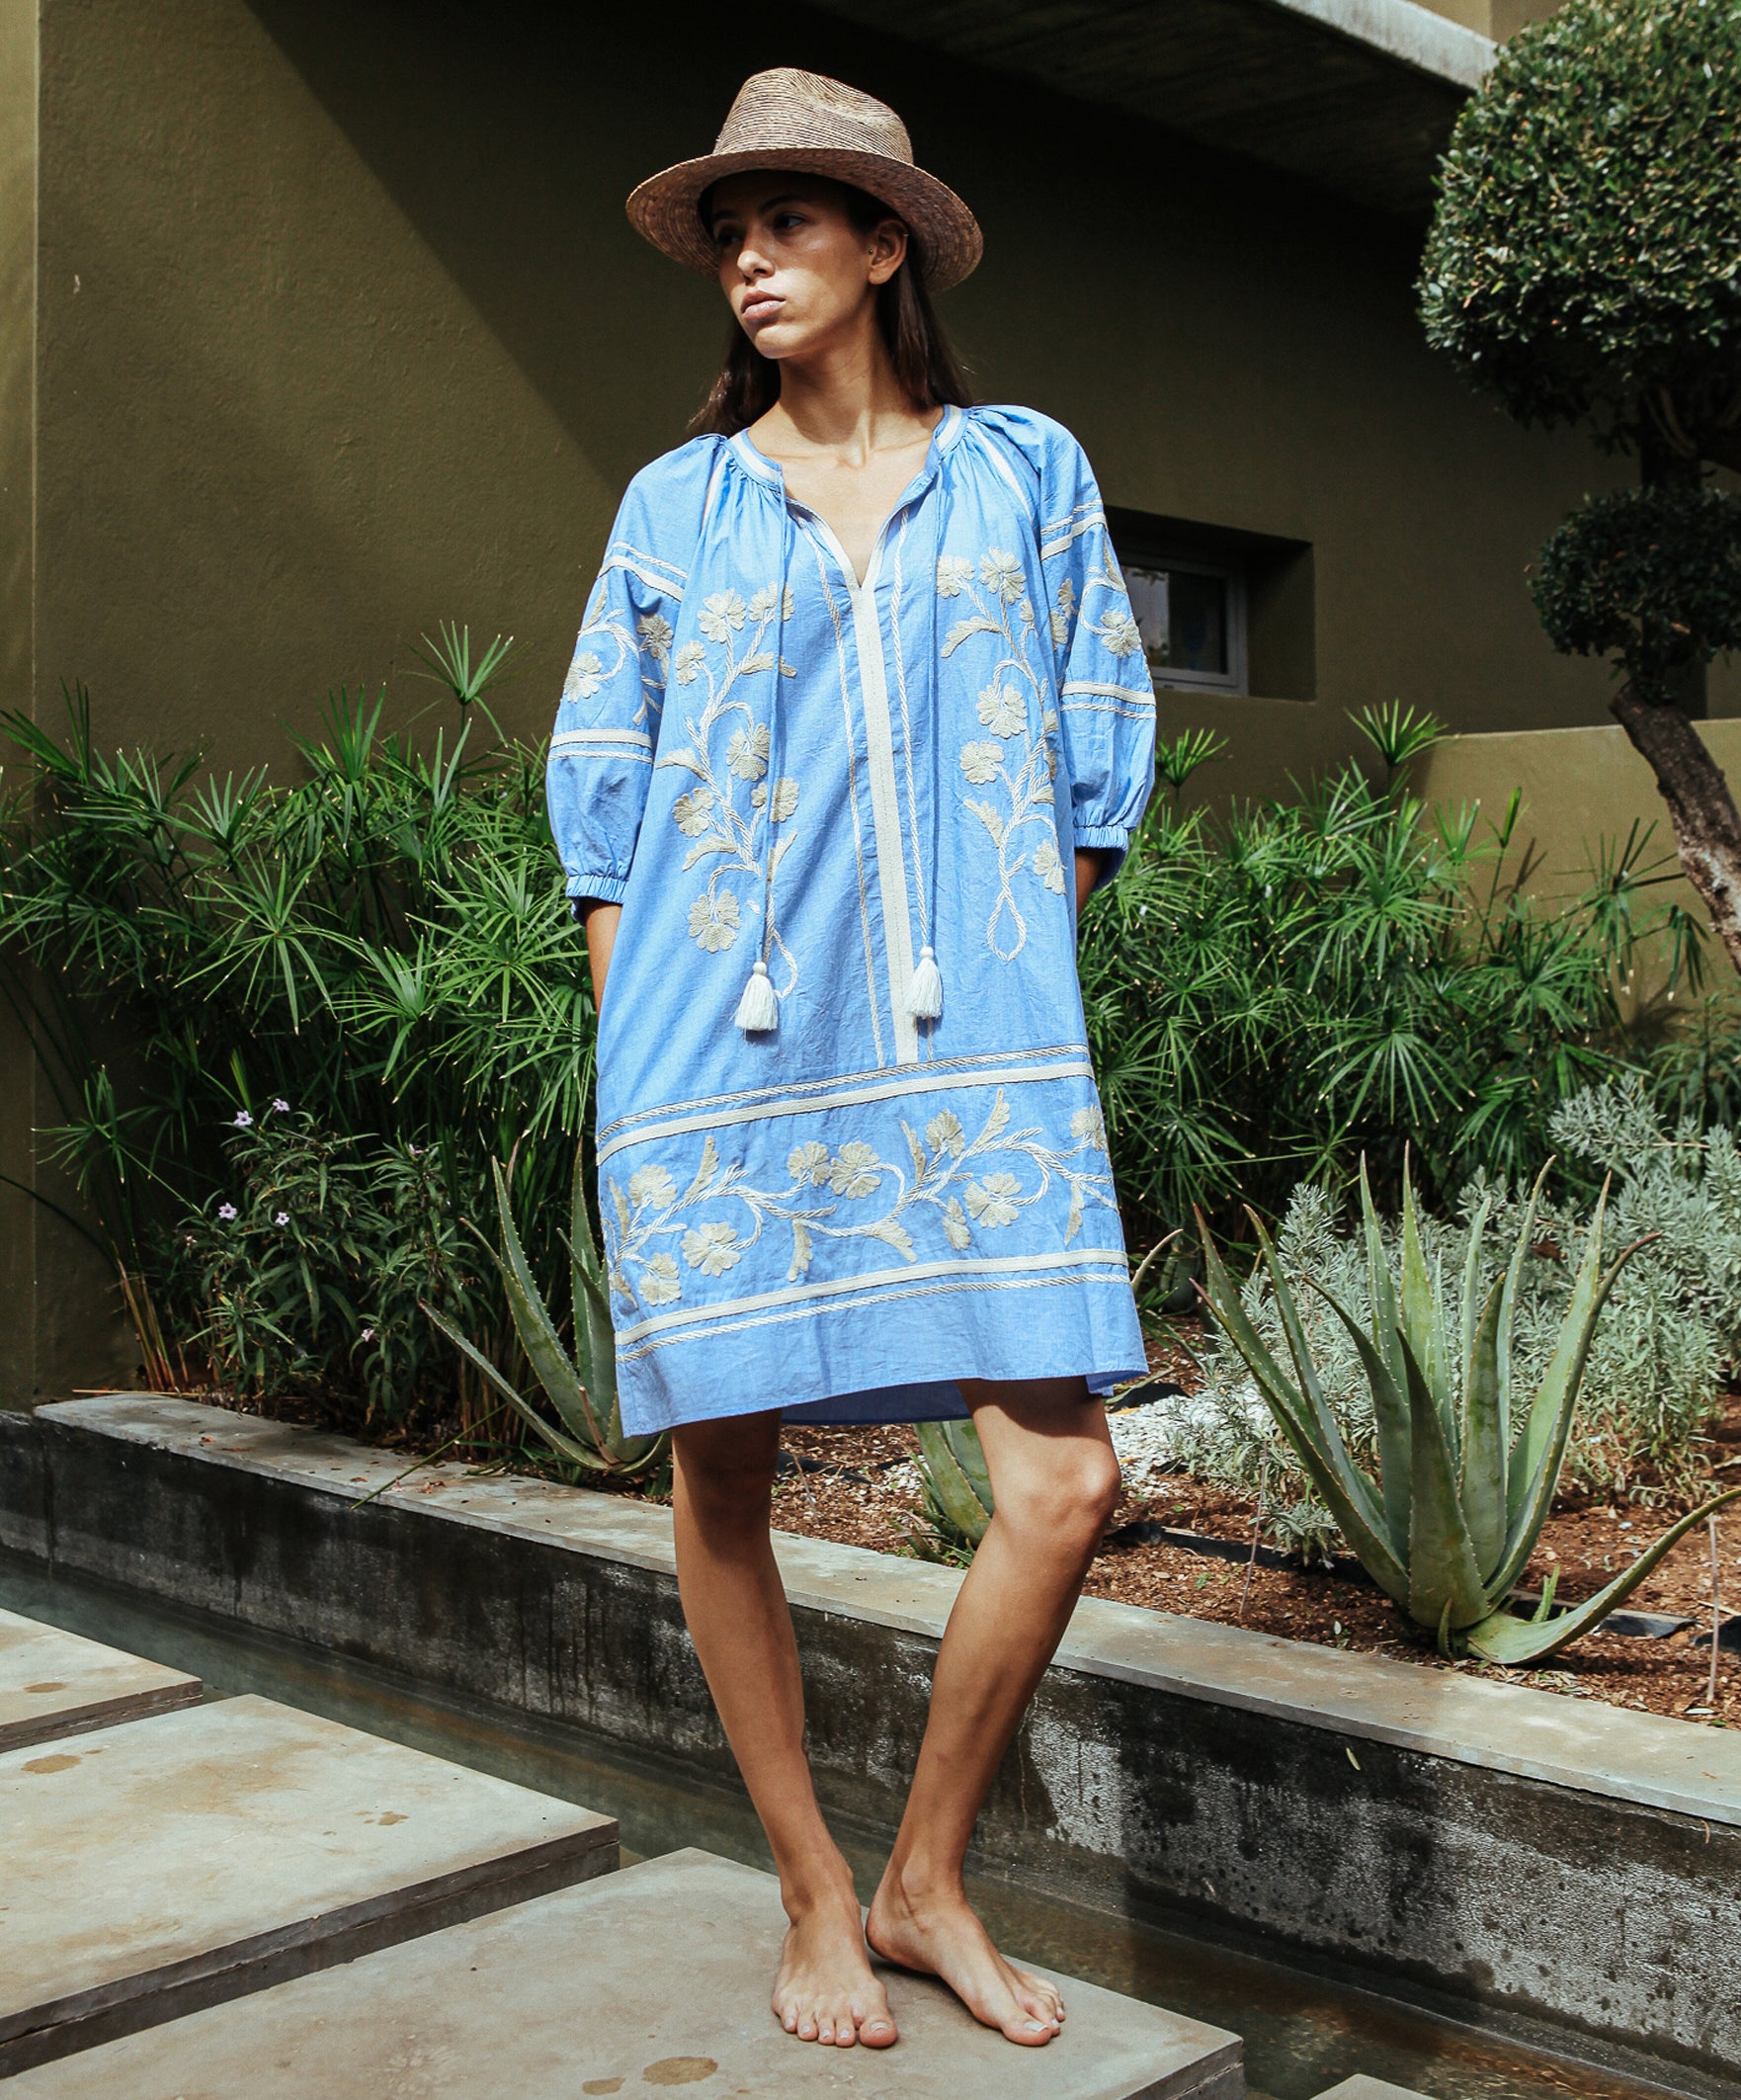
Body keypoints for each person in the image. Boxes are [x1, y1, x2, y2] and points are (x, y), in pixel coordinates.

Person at [547, 66, 1156, 2054]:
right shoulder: (674, 503)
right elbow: (606, 795)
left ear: (883, 240)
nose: (746, 259)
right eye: (729, 230)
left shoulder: (1025, 472)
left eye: (787, 220)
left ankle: (924, 1873)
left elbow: (1089, 753)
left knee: (1056, 1480)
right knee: (723, 1468)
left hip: (965, 1038)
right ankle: (816, 1888)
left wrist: (1004, 988)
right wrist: (636, 1075)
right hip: (705, 1050)